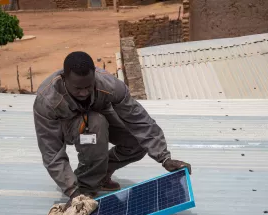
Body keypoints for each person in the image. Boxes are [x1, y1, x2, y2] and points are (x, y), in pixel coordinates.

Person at [33, 51, 191, 200]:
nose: (84, 93)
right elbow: (51, 152)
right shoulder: (47, 100)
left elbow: (139, 120)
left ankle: (102, 173)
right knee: (95, 125)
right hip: (69, 126)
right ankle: (85, 187)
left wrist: (164, 158)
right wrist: (72, 191)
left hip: (100, 114)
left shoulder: (110, 85)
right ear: (64, 79)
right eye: (78, 89)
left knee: (137, 141)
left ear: (94, 75)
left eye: (88, 86)